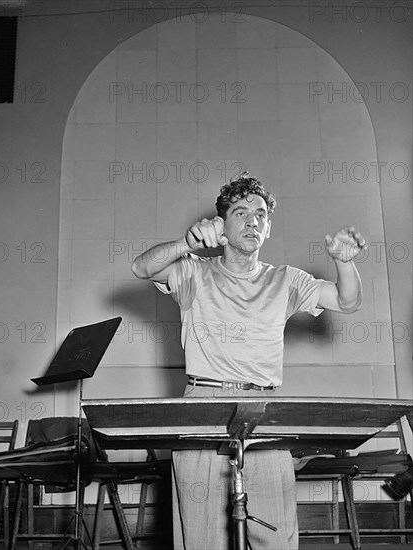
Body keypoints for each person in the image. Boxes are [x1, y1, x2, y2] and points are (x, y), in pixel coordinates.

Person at [131, 171, 366, 550]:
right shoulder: (194, 271)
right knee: (201, 537)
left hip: (264, 411)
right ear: (221, 223)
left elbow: (347, 301)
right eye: (240, 212)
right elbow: (143, 267)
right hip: (202, 409)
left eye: (260, 215)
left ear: (268, 228)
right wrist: (186, 242)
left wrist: (343, 261)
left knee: (275, 534)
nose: (252, 220)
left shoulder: (286, 280)